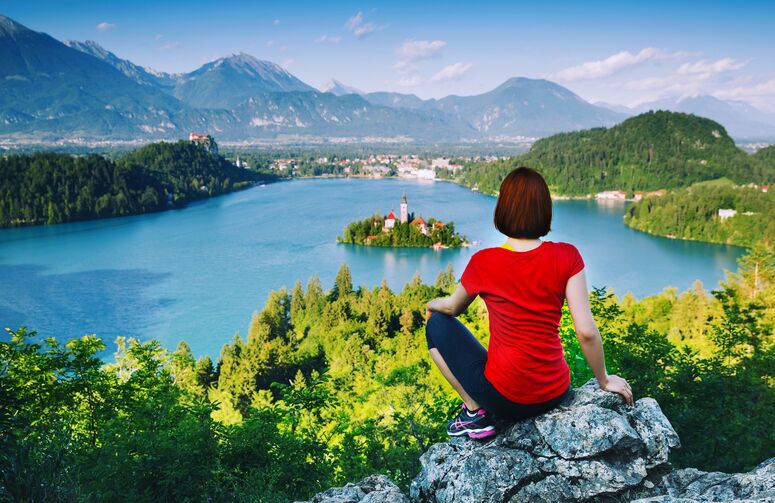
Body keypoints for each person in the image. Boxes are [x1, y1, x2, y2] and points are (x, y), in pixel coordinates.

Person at [424, 166, 633, 440]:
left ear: (503, 209)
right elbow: (586, 331)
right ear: (544, 209)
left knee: (437, 324)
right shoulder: (567, 256)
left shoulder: (484, 262)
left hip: (507, 400)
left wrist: (431, 305)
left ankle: (474, 412)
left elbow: (452, 308)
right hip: (555, 392)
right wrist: (604, 380)